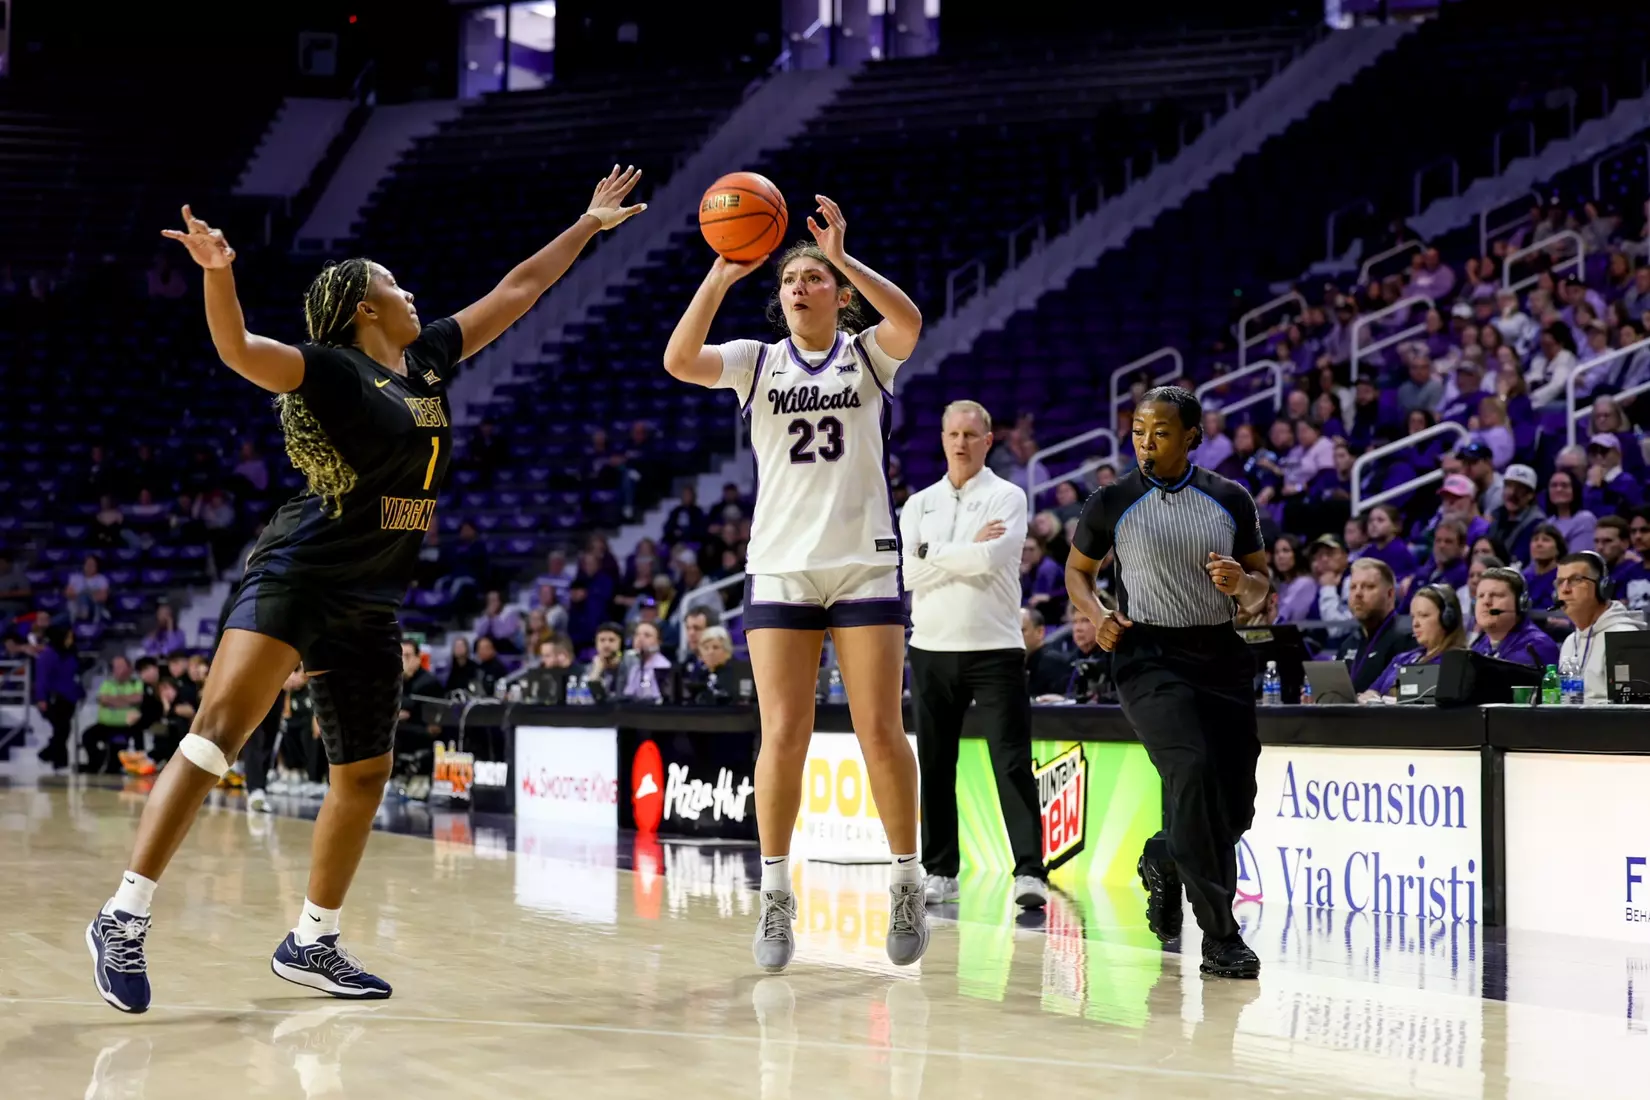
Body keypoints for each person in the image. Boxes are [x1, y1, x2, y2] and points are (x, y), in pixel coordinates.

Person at [87, 171, 646, 1015]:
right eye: (393, 283)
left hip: (371, 599)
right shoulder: (331, 371)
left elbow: (519, 288)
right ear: (361, 307)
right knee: (213, 739)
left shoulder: (423, 362)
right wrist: (217, 271)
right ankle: (123, 916)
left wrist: (586, 224)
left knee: (364, 773)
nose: (411, 289)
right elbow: (239, 351)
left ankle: (313, 939)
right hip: (300, 573)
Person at [662, 194, 928, 972]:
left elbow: (909, 320)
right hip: (780, 561)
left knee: (880, 728)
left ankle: (906, 880)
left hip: (863, 560)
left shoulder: (869, 352)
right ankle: (777, 895)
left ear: (839, 293)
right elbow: (680, 360)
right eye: (791, 281)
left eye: (815, 279)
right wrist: (718, 278)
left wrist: (845, 255)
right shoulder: (756, 360)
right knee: (785, 733)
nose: (801, 288)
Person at [1064, 386, 1270, 979]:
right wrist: (1098, 615)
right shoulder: (1111, 500)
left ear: (1191, 438)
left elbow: (1261, 591)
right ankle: (1221, 937)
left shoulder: (1231, 499)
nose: (1145, 443)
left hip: (1221, 655)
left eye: (1159, 432)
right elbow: (1079, 573)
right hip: (1147, 655)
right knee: (1194, 771)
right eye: (1137, 431)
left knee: (1233, 805)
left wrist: (1240, 584)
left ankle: (1165, 855)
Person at [900, 399, 1048, 911]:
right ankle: (940, 871)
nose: (960, 443)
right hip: (931, 649)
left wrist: (933, 551)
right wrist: (962, 548)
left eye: (971, 434)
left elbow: (991, 560)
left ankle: (1031, 872)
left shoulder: (1009, 497)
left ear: (988, 440)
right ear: (942, 439)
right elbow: (909, 574)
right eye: (953, 434)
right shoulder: (917, 504)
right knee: (936, 766)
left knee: (1011, 763)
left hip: (996, 650)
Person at [1555, 551, 1647, 701]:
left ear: (1602, 587)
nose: (1565, 589)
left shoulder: (1625, 638)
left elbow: (1634, 711)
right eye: (1560, 582)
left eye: (1575, 580)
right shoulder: (1570, 642)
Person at [1362, 585, 1469, 700]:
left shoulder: (1457, 663)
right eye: (1413, 616)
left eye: (1424, 615)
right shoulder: (1401, 658)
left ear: (1447, 618)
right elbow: (1372, 691)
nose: (1415, 623)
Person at [1330, 559, 1411, 695]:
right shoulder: (1349, 643)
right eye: (1353, 587)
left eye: (1368, 586)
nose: (1358, 594)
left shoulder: (1407, 637)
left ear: (1390, 594)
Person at [1470, 567, 1559, 667]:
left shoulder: (1536, 647)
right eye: (1481, 596)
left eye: (1496, 595)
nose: (1486, 602)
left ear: (1520, 603)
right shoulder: (1479, 645)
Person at [33, 625, 81, 772]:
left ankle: (50, 756)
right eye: (68, 637)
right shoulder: (47, 655)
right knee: (62, 729)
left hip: (69, 697)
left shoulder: (70, 653)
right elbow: (41, 678)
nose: (70, 640)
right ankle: (58, 761)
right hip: (54, 698)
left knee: (63, 730)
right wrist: (41, 698)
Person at [1486, 464, 1544, 566]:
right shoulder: (1496, 516)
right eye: (1509, 486)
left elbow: (1519, 560)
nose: (1512, 494)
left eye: (1520, 489)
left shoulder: (1536, 524)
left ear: (1530, 495)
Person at [1594, 516, 1650, 611]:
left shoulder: (1631, 572)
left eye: (1607, 541)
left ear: (1625, 543)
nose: (1600, 547)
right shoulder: (1596, 573)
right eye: (1596, 541)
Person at [1022, 608, 1074, 700]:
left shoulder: (1054, 662)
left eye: (1022, 630)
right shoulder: (1018, 662)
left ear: (1040, 632)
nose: (1017, 636)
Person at [1544, 468, 1597, 553]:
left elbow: (1578, 559)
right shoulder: (1548, 523)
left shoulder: (1585, 520)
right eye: (1554, 485)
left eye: (1564, 485)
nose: (1559, 489)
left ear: (1574, 490)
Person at [621, 620, 673, 700]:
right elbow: (628, 696)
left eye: (647, 635)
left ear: (658, 642)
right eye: (637, 635)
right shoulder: (635, 668)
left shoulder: (663, 667)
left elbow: (658, 699)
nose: (640, 639)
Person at [1270, 535, 1316, 622]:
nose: (1280, 556)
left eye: (1286, 551)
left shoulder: (1305, 583)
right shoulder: (1280, 585)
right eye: (1276, 552)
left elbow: (1282, 618)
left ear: (1296, 554)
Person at [583, 621, 627, 701]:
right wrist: (596, 673)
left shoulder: (629, 665)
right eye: (602, 640)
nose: (606, 645)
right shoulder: (590, 668)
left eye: (611, 640)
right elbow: (584, 699)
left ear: (621, 644)